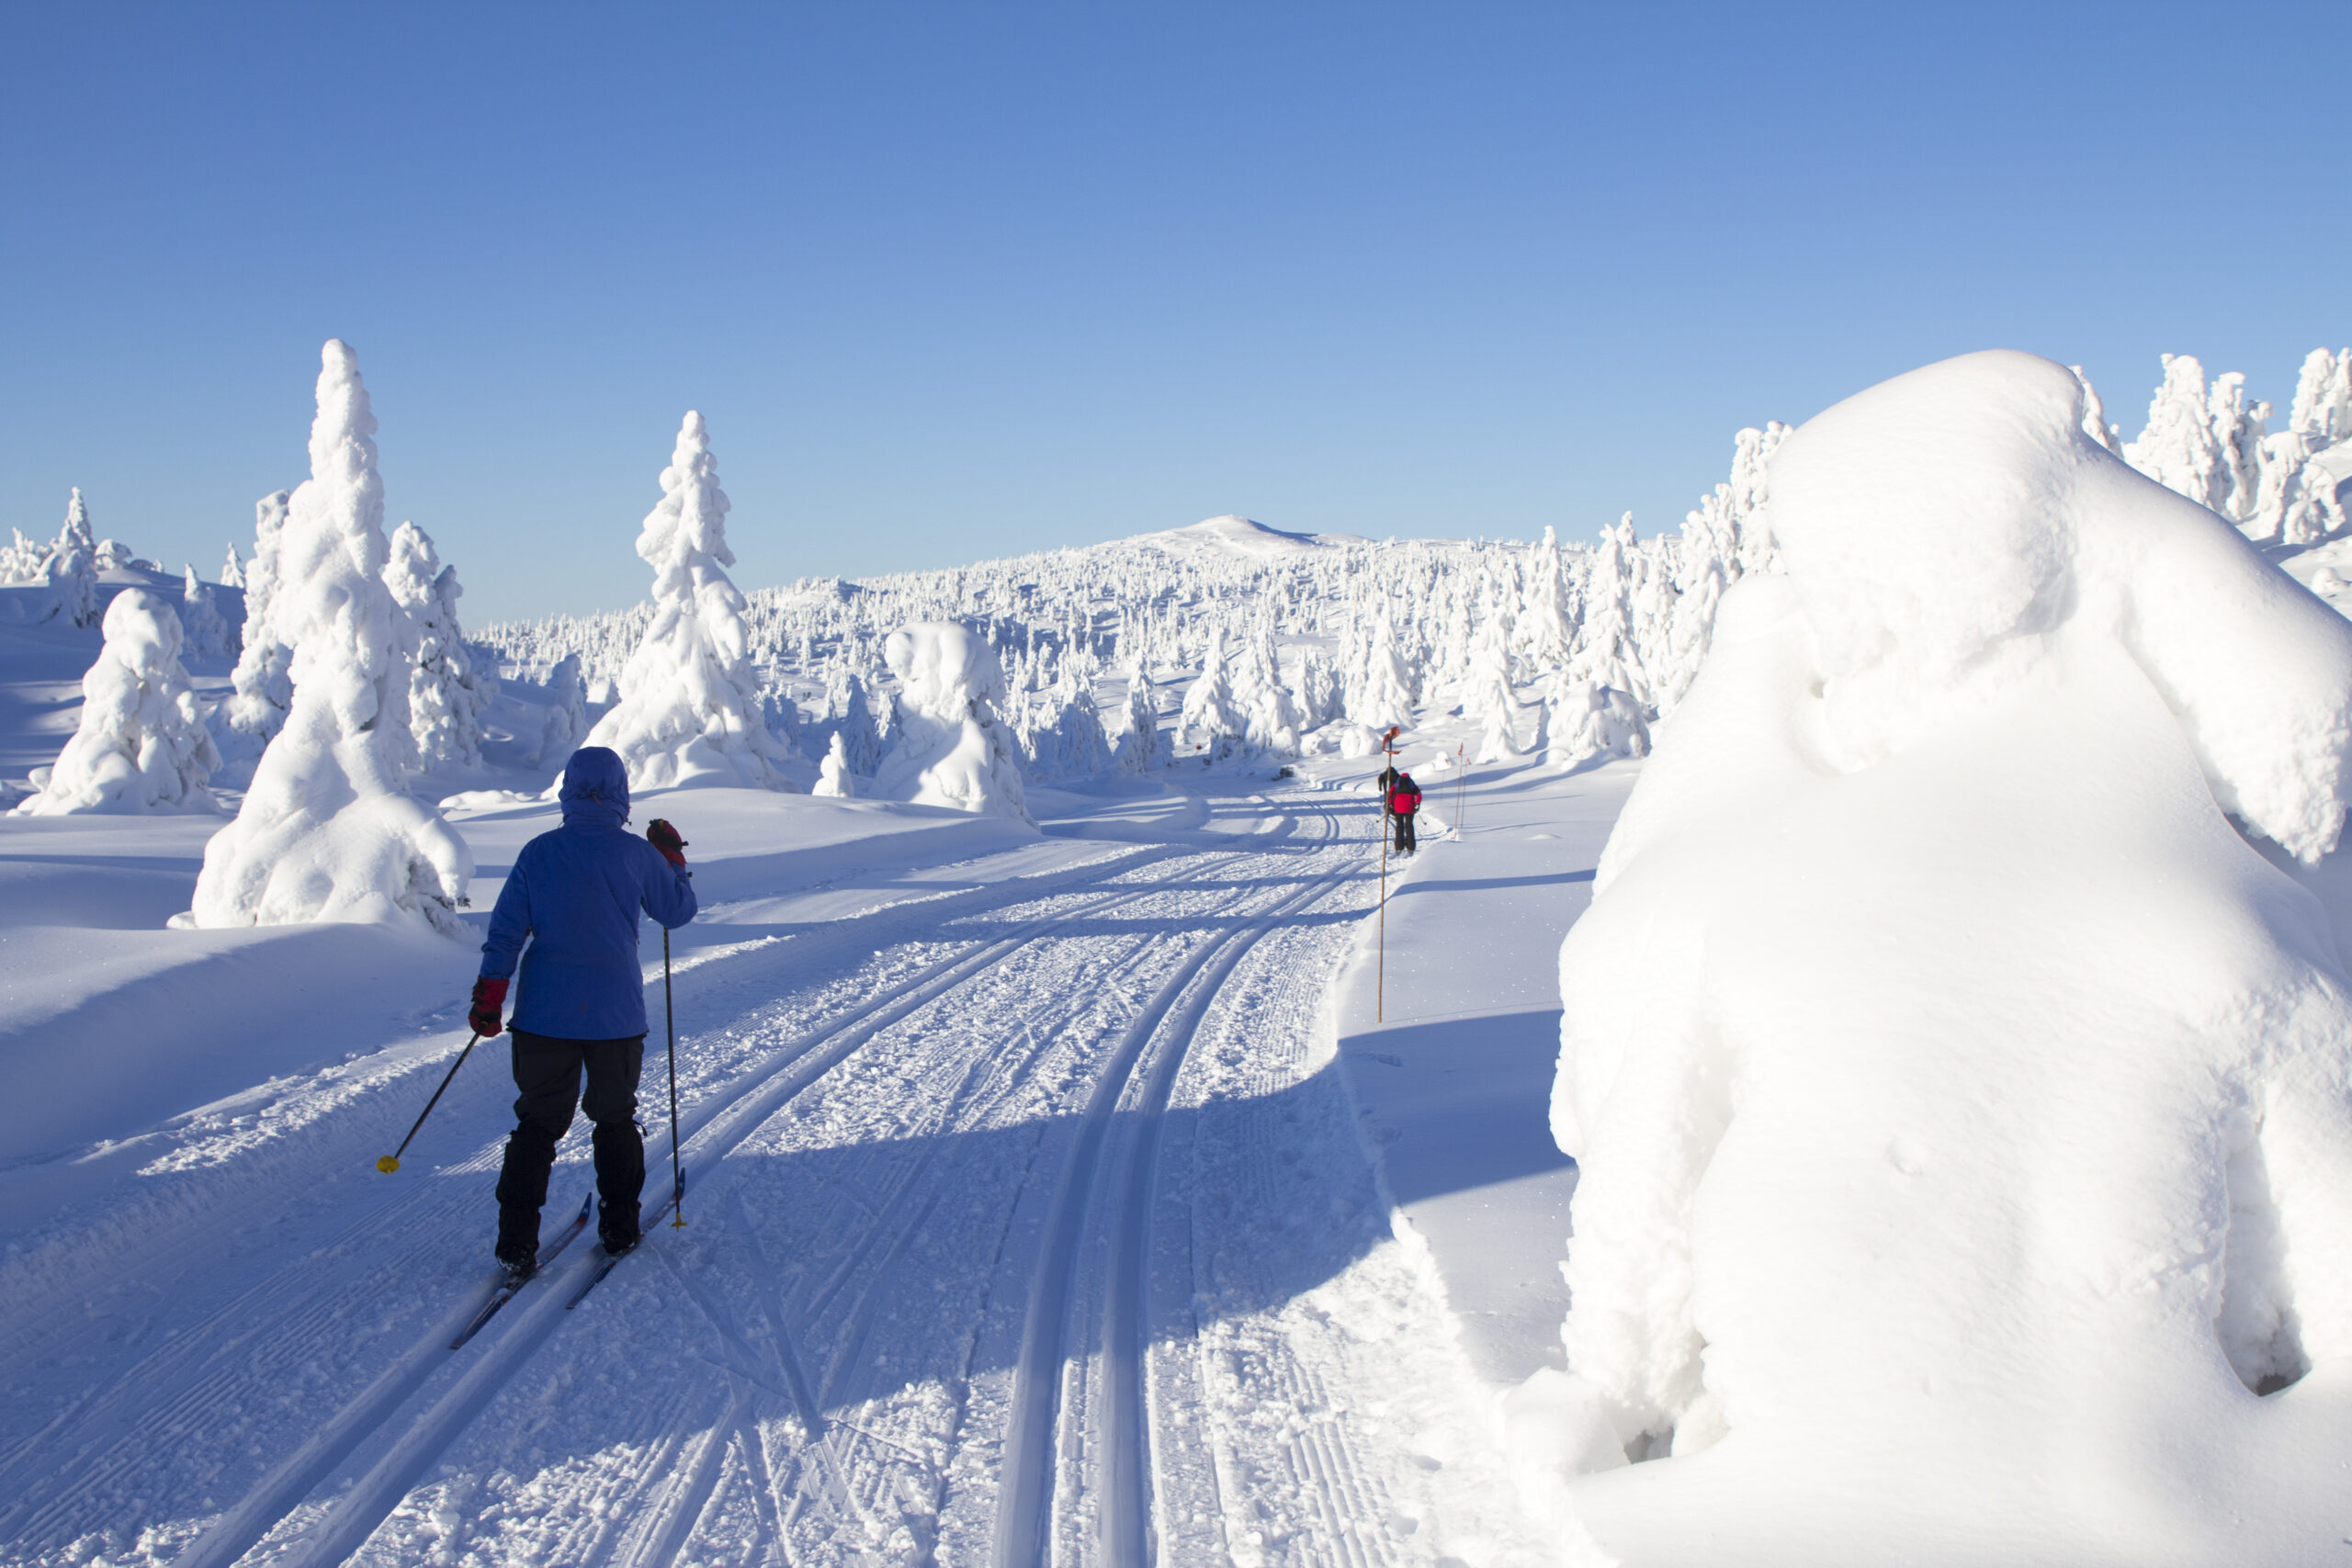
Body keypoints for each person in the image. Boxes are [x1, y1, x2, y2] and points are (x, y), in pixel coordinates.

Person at [469, 746, 696, 1278]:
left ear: (567, 790)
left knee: (537, 1124)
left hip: (542, 1017)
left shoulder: (538, 852)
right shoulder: (635, 854)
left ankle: (515, 1243)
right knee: (614, 1118)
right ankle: (620, 1227)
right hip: (614, 1017)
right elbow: (676, 913)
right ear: (621, 794)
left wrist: (489, 995)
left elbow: (506, 931)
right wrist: (672, 861)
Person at [1387, 769, 1422, 855]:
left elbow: (1390, 794)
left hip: (1398, 807)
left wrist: (1390, 804)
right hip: (1410, 807)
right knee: (1409, 826)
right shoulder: (1412, 784)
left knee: (1399, 826)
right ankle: (1411, 847)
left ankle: (1399, 847)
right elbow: (1419, 794)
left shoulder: (1396, 784)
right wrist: (1417, 804)